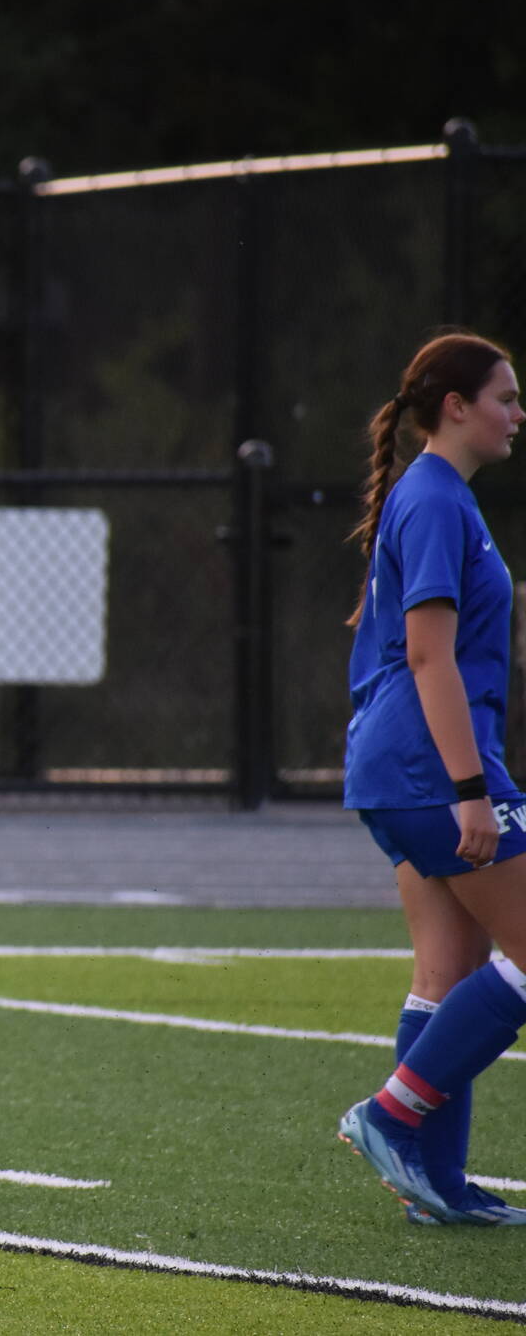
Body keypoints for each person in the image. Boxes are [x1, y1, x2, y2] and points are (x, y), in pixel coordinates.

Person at [335, 331, 526, 1227]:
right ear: (456, 407)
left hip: (400, 766)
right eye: (506, 397)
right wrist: (468, 787)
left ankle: (434, 1186)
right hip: (428, 771)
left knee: (448, 972)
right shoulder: (439, 500)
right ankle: (391, 1116)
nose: (518, 415)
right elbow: (425, 654)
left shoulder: (434, 496)